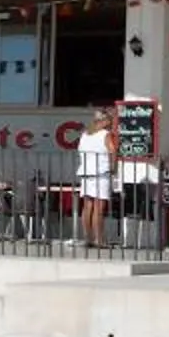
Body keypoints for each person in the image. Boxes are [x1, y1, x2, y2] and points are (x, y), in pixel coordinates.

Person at [73, 103, 115, 247]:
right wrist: (113, 168)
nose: (111, 123)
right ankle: (99, 240)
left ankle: (88, 238)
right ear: (105, 121)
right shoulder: (105, 134)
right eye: (110, 120)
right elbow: (112, 151)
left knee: (87, 206)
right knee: (99, 207)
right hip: (101, 173)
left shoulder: (85, 134)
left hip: (86, 172)